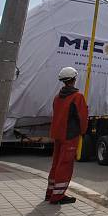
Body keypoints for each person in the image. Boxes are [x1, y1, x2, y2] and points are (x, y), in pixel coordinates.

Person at [46, 66, 88, 205]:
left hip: (58, 134)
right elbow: (82, 117)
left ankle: (50, 192)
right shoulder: (78, 97)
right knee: (65, 164)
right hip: (70, 135)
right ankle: (58, 197)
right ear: (74, 79)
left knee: (56, 163)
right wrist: (83, 131)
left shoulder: (57, 97)